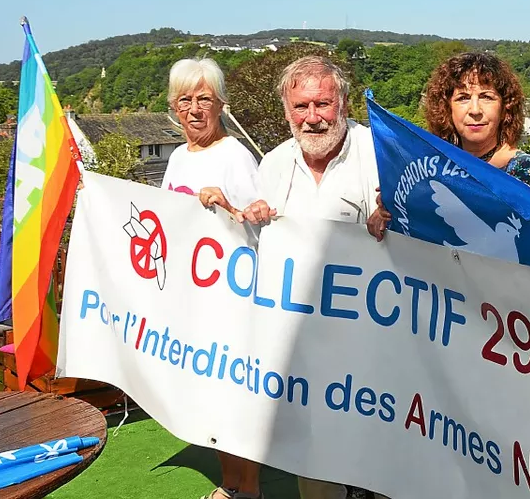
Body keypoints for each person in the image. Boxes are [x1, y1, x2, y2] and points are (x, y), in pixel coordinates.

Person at [238, 56, 382, 499]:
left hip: (373, 341)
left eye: (324, 104)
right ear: (286, 110)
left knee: (378, 455)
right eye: (301, 107)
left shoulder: (377, 152)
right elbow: (257, 249)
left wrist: (391, 221)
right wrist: (250, 218)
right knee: (312, 454)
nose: (313, 118)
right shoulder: (274, 164)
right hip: (300, 341)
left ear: (343, 103)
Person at [161, 58, 263, 499]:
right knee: (210, 398)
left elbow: (260, 224)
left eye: (204, 98)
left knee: (236, 399)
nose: (195, 109)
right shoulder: (179, 156)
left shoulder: (235, 155)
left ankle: (252, 489)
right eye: (185, 99)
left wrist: (225, 205)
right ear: (173, 107)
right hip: (190, 300)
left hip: (231, 301)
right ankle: (230, 483)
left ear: (221, 104)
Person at [367, 51, 530, 240]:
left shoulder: (525, 171)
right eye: (463, 98)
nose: (475, 110)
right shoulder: (431, 169)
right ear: (447, 109)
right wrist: (390, 214)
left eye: (486, 97)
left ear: (505, 108)